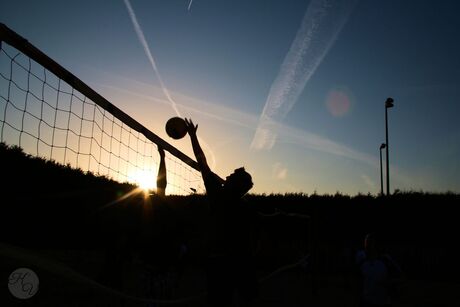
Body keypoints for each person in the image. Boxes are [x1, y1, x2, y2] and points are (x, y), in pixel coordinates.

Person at [184, 118, 259, 307]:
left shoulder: (220, 195)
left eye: (231, 177)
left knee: (219, 300)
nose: (226, 176)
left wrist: (193, 136)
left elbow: (202, 161)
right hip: (238, 263)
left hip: (220, 263)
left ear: (235, 185)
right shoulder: (244, 207)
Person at [355, 232, 403, 307]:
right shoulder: (361, 259)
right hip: (366, 302)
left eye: (370, 242)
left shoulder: (385, 260)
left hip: (382, 302)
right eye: (367, 242)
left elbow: (400, 277)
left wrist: (389, 284)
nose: (368, 245)